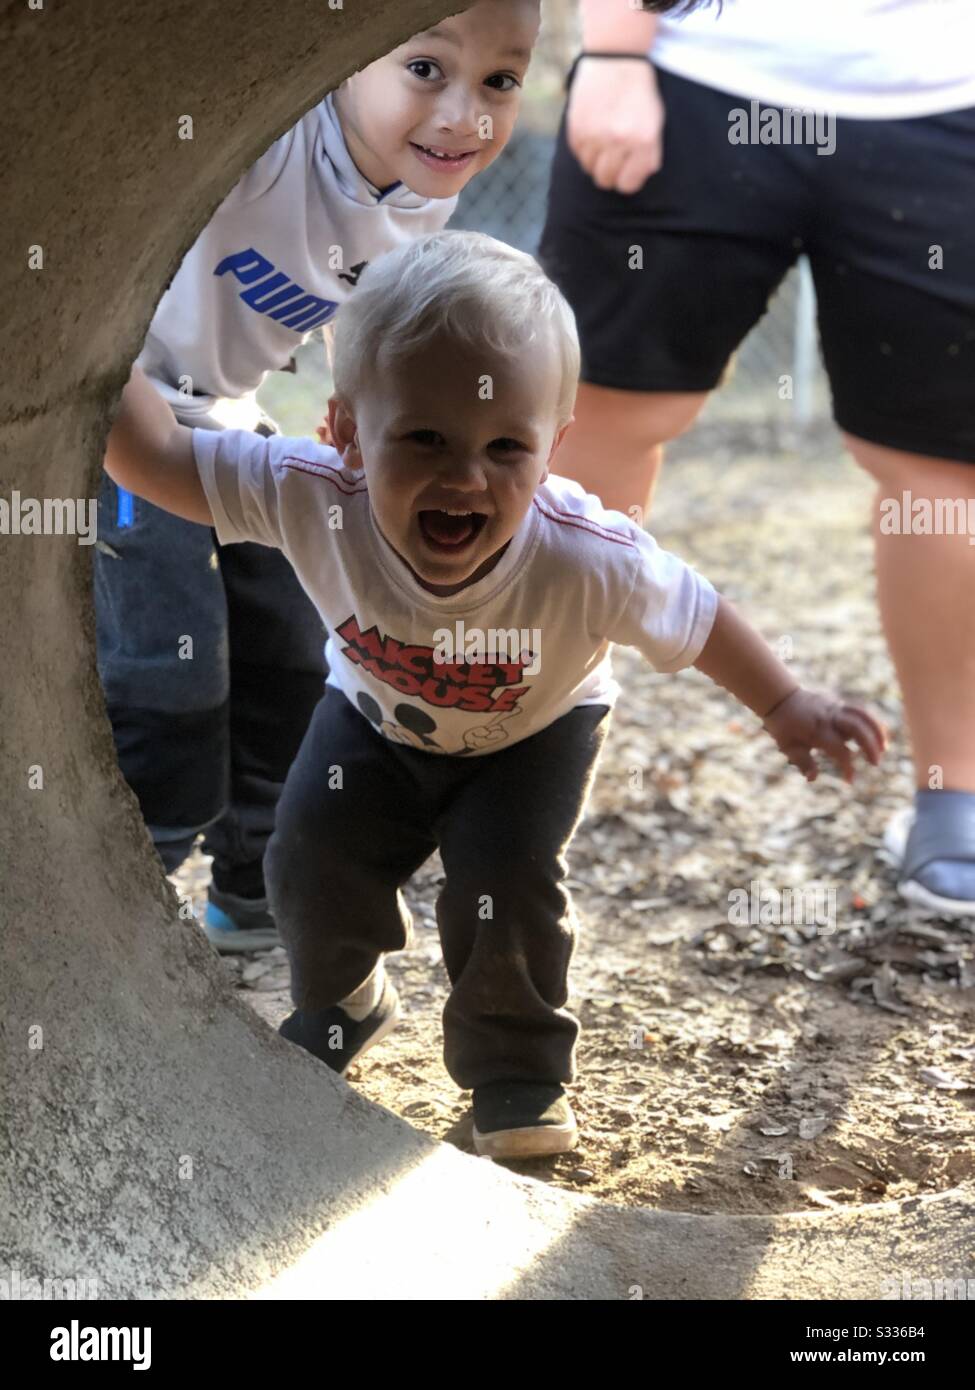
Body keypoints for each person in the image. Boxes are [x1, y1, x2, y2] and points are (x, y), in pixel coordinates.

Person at [102, 230, 886, 1158]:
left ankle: (517, 1075)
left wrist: (785, 704)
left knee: (504, 882)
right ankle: (345, 1001)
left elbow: (700, 615)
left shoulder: (586, 555)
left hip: (536, 731)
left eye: (505, 446)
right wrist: (90, 342)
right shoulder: (309, 494)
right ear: (345, 432)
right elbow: (158, 460)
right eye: (425, 437)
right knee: (306, 854)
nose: (465, 475)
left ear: (552, 447)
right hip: (372, 717)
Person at [94, 0, 543, 953]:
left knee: (299, 647)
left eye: (500, 82)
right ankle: (118, 893)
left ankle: (253, 889)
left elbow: (379, 332)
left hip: (222, 412)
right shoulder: (260, 141)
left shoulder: (424, 191)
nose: (466, 116)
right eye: (427, 70)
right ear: (332, 57)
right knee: (170, 671)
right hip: (115, 416)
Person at [538, 0, 975, 916]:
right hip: (694, 66)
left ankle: (954, 792)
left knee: (940, 470)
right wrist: (615, 42)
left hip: (944, 94)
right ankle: (504, 736)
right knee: (591, 414)